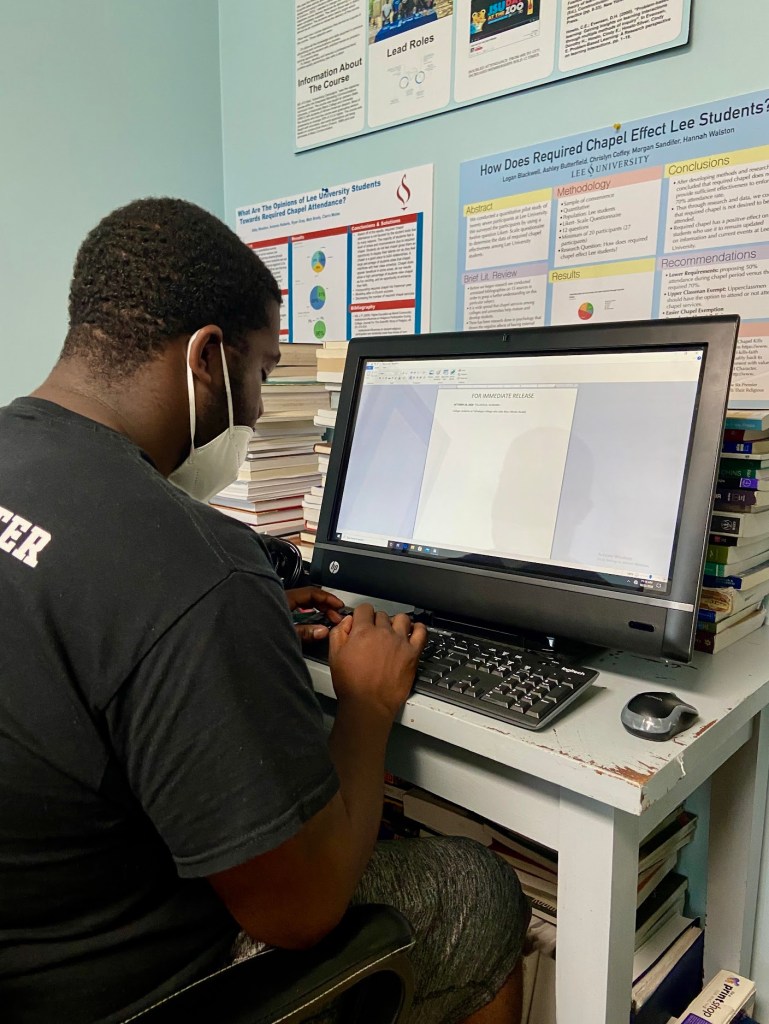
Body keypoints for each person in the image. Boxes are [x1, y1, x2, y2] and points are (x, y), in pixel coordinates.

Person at [0, 198, 529, 1024]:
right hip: (128, 988)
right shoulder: (194, 567)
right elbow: (299, 911)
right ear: (208, 357)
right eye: (264, 371)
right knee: (475, 886)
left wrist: (220, 638)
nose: (253, 410)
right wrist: (364, 705)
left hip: (29, 940)